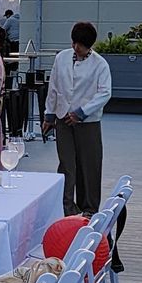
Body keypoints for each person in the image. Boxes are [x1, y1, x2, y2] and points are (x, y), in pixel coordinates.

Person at [44, 20, 111, 217]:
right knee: (66, 164)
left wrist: (82, 112)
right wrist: (49, 114)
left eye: (80, 45)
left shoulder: (100, 64)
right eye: (74, 43)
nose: (76, 48)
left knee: (89, 165)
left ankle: (89, 208)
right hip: (63, 118)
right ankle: (65, 207)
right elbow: (54, 86)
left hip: (88, 122)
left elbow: (105, 93)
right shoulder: (62, 58)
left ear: (89, 45)